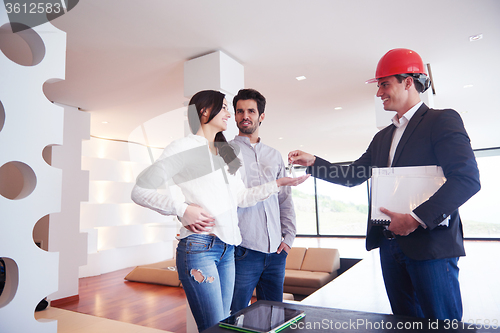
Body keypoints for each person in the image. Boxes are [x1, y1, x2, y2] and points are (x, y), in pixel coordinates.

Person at [289, 48, 480, 321]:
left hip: (430, 247)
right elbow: (353, 175)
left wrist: (416, 219)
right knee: (403, 322)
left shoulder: (441, 121)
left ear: (408, 82)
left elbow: (466, 179)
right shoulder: (383, 137)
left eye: (384, 84)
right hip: (391, 248)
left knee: (441, 324)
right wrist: (313, 162)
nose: (379, 93)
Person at [131, 90, 308, 332]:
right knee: (214, 327)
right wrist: (182, 209)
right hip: (199, 248)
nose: (229, 114)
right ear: (204, 111)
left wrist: (277, 184)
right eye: (224, 107)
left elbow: (241, 197)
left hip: (228, 249)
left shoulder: (226, 152)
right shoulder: (182, 147)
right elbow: (140, 191)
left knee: (226, 326)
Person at [229, 89, 296, 314]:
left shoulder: (274, 155)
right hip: (243, 250)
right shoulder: (225, 152)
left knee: (273, 315)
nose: (244, 116)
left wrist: (288, 238)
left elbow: (285, 199)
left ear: (261, 116)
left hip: (276, 253)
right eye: (239, 111)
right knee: (236, 315)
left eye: (251, 110)